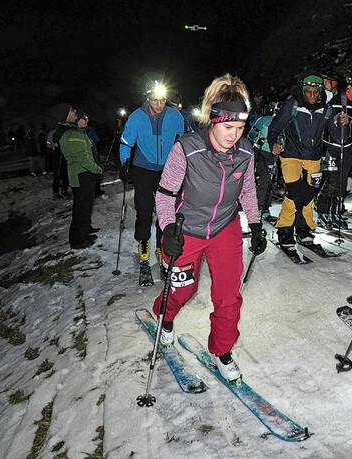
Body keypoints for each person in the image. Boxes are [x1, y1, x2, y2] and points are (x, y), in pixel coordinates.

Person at [151, 73, 267, 382]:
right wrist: (168, 228)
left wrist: (255, 224)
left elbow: (248, 191)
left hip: (224, 228)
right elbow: (165, 194)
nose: (234, 135)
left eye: (240, 128)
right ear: (213, 120)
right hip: (186, 229)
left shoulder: (245, 152)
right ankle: (165, 316)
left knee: (229, 296)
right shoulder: (187, 148)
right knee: (182, 291)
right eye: (229, 127)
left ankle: (222, 350)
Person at [266, 75, 342, 246]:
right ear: (303, 91)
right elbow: (275, 127)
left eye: (315, 92)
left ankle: (303, 227)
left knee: (308, 195)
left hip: (313, 156)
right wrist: (274, 143)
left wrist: (343, 125)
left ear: (320, 91)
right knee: (294, 192)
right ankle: (285, 228)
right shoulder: (293, 105)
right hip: (291, 154)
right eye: (308, 92)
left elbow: (338, 137)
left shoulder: (327, 109)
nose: (312, 95)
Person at [118, 81, 185, 273]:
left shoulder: (175, 116)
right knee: (144, 208)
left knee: (167, 210)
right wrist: (124, 162)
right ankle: (144, 243)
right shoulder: (136, 117)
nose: (159, 104)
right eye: (155, 100)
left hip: (166, 169)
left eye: (162, 100)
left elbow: (185, 139)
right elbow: (126, 142)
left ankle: (161, 244)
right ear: (148, 98)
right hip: (143, 168)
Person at [318, 73, 352, 229]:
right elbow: (326, 121)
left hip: (348, 146)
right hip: (331, 145)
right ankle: (323, 211)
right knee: (332, 180)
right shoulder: (336, 101)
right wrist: (339, 121)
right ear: (348, 87)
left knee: (342, 180)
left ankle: (336, 212)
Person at [60, 109, 103, 249]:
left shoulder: (79, 132)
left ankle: (85, 231)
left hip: (85, 174)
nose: (87, 120)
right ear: (78, 120)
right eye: (84, 118)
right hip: (81, 175)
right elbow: (83, 158)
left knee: (86, 206)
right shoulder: (72, 134)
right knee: (81, 208)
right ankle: (77, 240)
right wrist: (97, 169)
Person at [247, 108, 276, 221]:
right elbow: (251, 134)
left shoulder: (287, 123)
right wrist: (255, 141)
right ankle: (260, 207)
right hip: (260, 152)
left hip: (272, 154)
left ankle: (264, 207)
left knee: (269, 181)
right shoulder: (264, 120)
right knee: (265, 179)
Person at [50, 104, 77, 199]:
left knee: (67, 172)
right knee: (59, 172)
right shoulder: (61, 127)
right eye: (71, 110)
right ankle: (56, 191)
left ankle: (64, 189)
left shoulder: (69, 126)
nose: (75, 111)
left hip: (67, 156)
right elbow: (57, 141)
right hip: (61, 156)